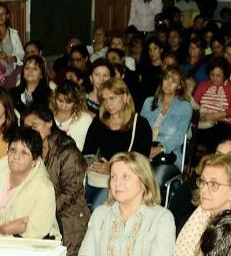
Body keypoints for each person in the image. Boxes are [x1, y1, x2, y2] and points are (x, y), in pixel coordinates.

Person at [22, 103, 90, 256]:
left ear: (49, 123)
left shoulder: (68, 152)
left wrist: (43, 210)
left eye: (35, 125)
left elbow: (71, 193)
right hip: (40, 210)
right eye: (27, 127)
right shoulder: (29, 151)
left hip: (68, 215)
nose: (30, 131)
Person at [82, 78, 153, 210]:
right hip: (100, 176)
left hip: (126, 179)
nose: (108, 104)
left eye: (112, 98)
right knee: (77, 203)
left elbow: (140, 161)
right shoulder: (100, 122)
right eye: (104, 100)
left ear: (125, 97)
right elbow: (87, 151)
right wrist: (91, 163)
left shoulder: (140, 124)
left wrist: (112, 167)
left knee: (98, 207)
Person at [140, 66, 194, 189]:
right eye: (166, 79)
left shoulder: (185, 107)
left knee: (155, 182)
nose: (168, 84)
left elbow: (179, 137)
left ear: (179, 86)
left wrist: (158, 150)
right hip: (145, 151)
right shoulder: (149, 102)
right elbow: (140, 129)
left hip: (169, 156)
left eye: (174, 81)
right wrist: (144, 150)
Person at [192, 56, 231, 151]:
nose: (214, 78)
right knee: (191, 133)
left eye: (218, 75)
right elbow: (193, 103)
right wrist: (199, 115)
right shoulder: (204, 85)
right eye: (212, 75)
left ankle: (212, 163)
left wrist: (215, 116)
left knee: (215, 134)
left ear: (225, 75)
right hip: (203, 121)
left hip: (223, 123)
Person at [50, 81, 94, 151]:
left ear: (76, 102)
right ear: (54, 98)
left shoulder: (84, 119)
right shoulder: (47, 113)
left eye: (68, 102)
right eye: (60, 101)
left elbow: (80, 149)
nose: (63, 106)